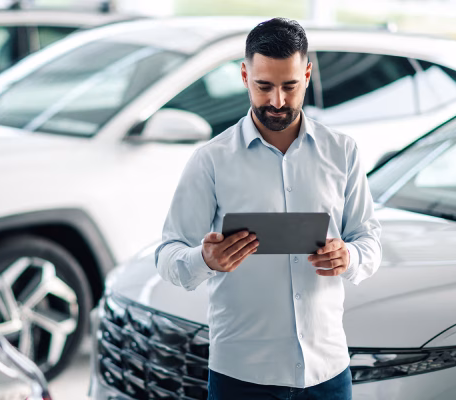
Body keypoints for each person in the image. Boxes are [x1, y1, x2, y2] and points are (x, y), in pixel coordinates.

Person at [155, 18, 383, 400]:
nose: (277, 101)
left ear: (307, 74)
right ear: (245, 75)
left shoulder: (342, 152)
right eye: (264, 86)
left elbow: (369, 240)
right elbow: (167, 254)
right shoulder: (211, 161)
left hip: (326, 372)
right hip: (242, 376)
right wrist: (204, 259)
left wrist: (351, 257)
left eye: (289, 86)